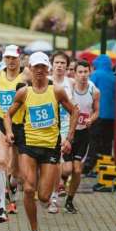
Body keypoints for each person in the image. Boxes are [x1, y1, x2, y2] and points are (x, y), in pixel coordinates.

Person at [4, 52, 78, 231]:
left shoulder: (57, 91)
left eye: (42, 67)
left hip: (50, 148)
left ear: (48, 69)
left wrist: (69, 137)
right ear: (30, 68)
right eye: (35, 67)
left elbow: (75, 111)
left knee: (44, 196)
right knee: (28, 188)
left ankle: (43, 194)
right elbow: (7, 114)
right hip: (29, 146)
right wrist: (9, 132)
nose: (38, 70)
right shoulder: (24, 92)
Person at [0, 45, 30, 222]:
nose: (11, 61)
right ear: (4, 59)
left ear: (20, 58)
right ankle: (1, 208)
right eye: (8, 58)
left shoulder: (26, 75)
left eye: (14, 58)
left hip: (21, 125)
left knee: (17, 172)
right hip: (2, 123)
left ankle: (12, 187)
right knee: (1, 161)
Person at [62, 60, 100, 214]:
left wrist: (92, 118)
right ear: (75, 73)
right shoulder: (69, 88)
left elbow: (97, 110)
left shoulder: (94, 91)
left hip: (83, 134)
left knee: (77, 170)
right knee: (66, 169)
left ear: (89, 72)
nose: (83, 75)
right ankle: (59, 185)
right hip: (68, 133)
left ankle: (69, 200)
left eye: (86, 72)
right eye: (80, 72)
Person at [48, 51, 75, 213]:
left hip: (63, 125)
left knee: (57, 162)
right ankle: (47, 190)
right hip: (46, 126)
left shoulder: (70, 82)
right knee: (48, 164)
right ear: (52, 65)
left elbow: (75, 106)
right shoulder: (45, 81)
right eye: (57, 62)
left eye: (62, 63)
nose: (59, 66)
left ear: (67, 66)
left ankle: (54, 198)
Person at [88, 54, 116, 160]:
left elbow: (89, 90)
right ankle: (105, 162)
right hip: (111, 115)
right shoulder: (114, 77)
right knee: (107, 141)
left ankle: (92, 163)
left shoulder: (96, 74)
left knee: (94, 139)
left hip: (98, 113)